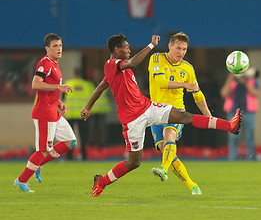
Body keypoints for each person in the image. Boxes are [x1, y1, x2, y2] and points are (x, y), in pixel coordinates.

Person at [80, 33, 242, 197]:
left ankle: (229, 126)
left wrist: (87, 106)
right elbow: (133, 64)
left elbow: (101, 86)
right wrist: (150, 45)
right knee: (134, 162)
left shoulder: (185, 67)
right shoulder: (112, 64)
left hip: (147, 106)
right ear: (116, 49)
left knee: (184, 117)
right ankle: (101, 181)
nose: (129, 51)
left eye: (184, 49)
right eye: (126, 48)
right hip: (131, 120)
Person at [148, 32, 214, 195]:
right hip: (155, 112)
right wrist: (185, 84)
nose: (181, 52)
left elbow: (198, 95)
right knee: (166, 151)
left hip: (176, 110)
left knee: (169, 135)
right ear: (169, 46)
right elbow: (161, 82)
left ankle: (162, 169)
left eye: (184, 49)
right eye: (178, 48)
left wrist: (208, 116)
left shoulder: (188, 68)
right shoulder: (156, 58)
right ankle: (192, 185)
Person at [14, 33, 77, 192]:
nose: (59, 49)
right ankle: (21, 181)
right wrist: (58, 88)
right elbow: (35, 84)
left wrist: (59, 102)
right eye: (55, 46)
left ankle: (38, 164)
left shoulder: (54, 64)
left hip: (53, 111)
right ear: (47, 48)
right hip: (44, 113)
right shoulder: (45, 63)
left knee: (71, 141)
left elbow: (47, 88)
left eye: (60, 46)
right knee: (43, 150)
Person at [220, 67, 260, 161]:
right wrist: (230, 79)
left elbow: (256, 93)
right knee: (233, 137)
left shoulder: (251, 81)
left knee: (250, 136)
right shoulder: (232, 81)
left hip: (248, 111)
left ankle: (251, 158)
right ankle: (233, 159)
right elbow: (224, 93)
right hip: (233, 112)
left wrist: (245, 83)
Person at [64, 68, 95, 160]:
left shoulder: (68, 84)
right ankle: (84, 156)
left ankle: (69, 157)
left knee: (69, 137)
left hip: (70, 114)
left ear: (73, 74)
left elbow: (63, 98)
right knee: (83, 137)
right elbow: (92, 99)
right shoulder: (87, 85)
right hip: (83, 115)